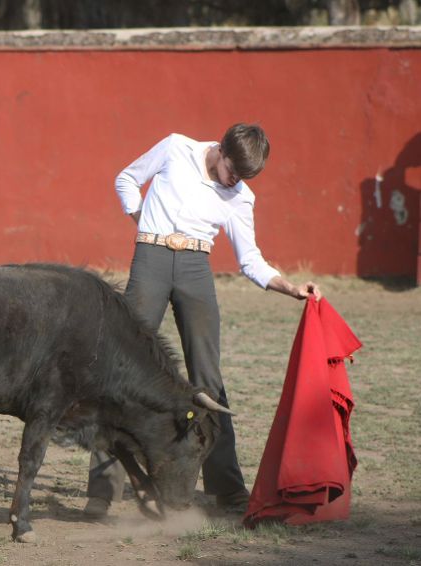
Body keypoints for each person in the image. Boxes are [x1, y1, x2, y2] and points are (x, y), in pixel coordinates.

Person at [84, 123, 322, 518]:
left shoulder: (240, 196)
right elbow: (127, 177)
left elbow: (251, 260)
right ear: (220, 151)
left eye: (243, 177)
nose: (235, 180)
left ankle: (227, 488)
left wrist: (291, 287)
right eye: (233, 170)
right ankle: (103, 491)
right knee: (122, 370)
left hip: (196, 267)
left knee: (208, 379)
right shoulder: (176, 148)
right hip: (151, 260)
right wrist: (140, 217)